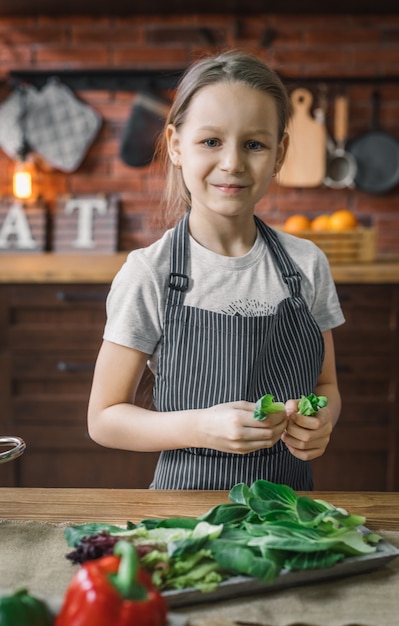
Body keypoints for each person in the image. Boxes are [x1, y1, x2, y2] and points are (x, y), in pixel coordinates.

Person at [87, 50, 345, 490]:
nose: (232, 163)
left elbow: (327, 386)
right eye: (211, 142)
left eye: (254, 144)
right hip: (184, 518)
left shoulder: (306, 264)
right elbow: (104, 419)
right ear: (175, 146)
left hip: (288, 516)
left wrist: (321, 420)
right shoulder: (151, 273)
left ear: (279, 153)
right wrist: (200, 427)